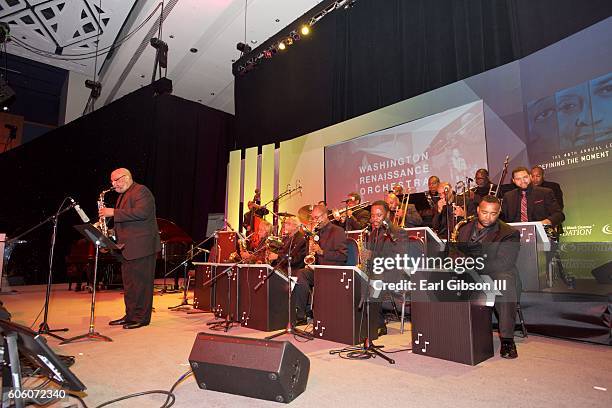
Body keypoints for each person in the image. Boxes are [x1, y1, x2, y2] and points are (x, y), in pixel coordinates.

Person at [453, 195, 521, 359]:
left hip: (495, 273)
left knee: (504, 282)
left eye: (493, 213)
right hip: (469, 273)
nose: (488, 217)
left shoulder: (509, 233)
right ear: (478, 210)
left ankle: (507, 340)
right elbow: (456, 253)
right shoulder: (464, 229)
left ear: (499, 213)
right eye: (484, 212)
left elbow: (504, 263)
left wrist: (471, 264)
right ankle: (447, 332)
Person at [100, 168, 161, 329]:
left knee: (141, 285)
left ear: (126, 178)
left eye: (116, 180)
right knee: (130, 285)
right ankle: (131, 315)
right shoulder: (122, 196)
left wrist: (112, 212)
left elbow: (142, 213)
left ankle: (141, 318)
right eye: (112, 181)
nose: (113, 185)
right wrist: (110, 231)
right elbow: (127, 221)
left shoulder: (141, 191)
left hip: (142, 247)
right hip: (127, 248)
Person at [291, 205, 348, 323]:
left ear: (325, 216)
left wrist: (322, 252)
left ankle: (317, 311)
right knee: (301, 273)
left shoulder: (337, 231)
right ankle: (300, 315)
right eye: (313, 218)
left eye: (317, 218)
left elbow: (343, 256)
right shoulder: (316, 232)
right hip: (319, 270)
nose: (315, 221)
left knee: (305, 274)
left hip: (332, 271)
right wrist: (311, 252)